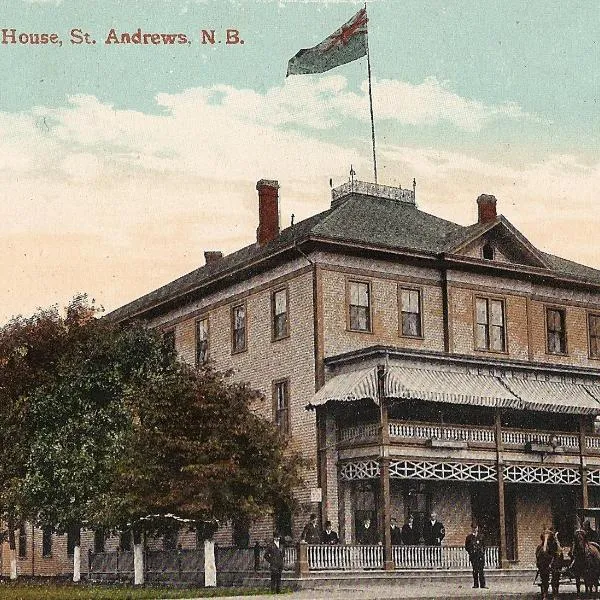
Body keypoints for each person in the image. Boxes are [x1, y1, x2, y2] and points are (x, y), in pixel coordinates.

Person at [465, 524, 487, 589]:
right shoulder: (469, 537)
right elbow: (467, 547)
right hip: (473, 556)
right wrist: (471, 552)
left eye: (476, 527)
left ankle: (482, 585)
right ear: (472, 528)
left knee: (481, 570)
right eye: (473, 528)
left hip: (480, 556)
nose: (475, 529)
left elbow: (484, 546)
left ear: (477, 528)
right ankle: (476, 584)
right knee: (475, 570)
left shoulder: (481, 536)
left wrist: (482, 553)